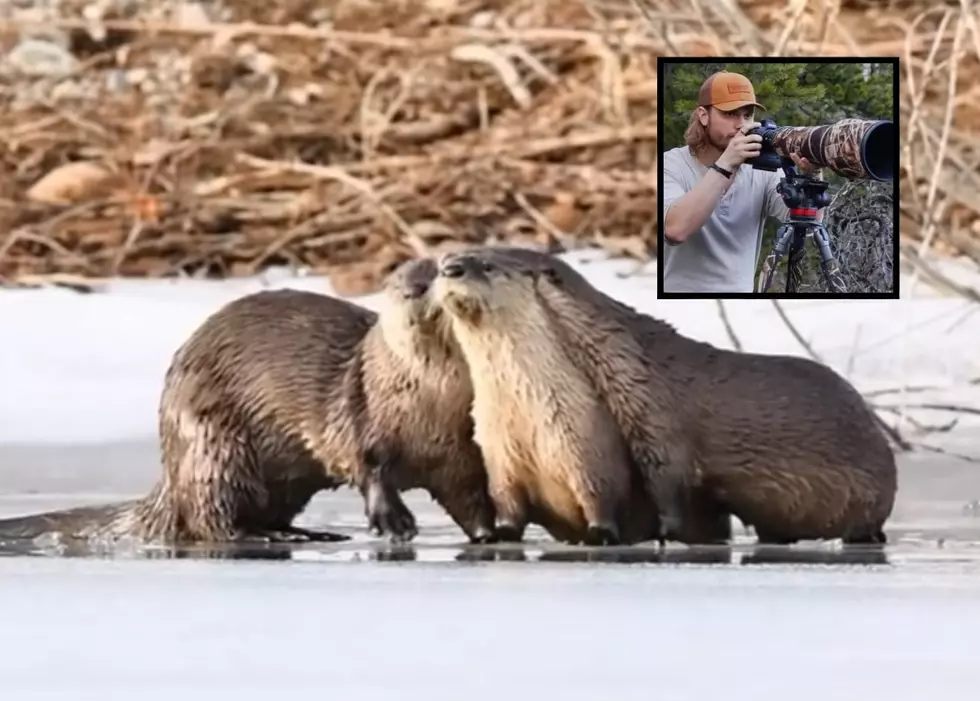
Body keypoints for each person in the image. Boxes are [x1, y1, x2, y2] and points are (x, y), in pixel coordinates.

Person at [661, 70, 824, 294]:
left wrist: (812, 175)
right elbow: (675, 229)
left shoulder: (763, 170)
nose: (741, 125)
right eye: (730, 114)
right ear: (703, 115)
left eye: (747, 115)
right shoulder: (671, 164)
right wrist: (726, 163)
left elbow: (808, 222)